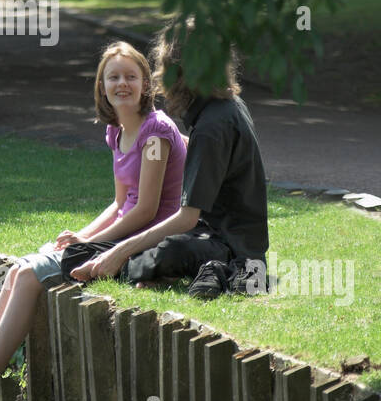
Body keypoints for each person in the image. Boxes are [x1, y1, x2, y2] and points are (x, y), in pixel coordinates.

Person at [0, 40, 187, 401]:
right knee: (17, 271)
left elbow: (145, 211)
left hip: (145, 245)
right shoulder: (117, 131)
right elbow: (119, 203)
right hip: (125, 234)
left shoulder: (155, 133)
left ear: (146, 84)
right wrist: (80, 234)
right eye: (113, 77)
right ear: (102, 87)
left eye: (130, 76)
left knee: (28, 276)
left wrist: (89, 242)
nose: (122, 84)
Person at [60, 23, 269, 299]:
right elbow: (203, 152)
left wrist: (118, 252)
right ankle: (151, 268)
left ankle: (210, 272)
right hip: (218, 237)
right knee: (102, 253)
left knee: (160, 252)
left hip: (232, 247)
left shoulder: (212, 125)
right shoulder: (225, 108)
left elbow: (186, 218)